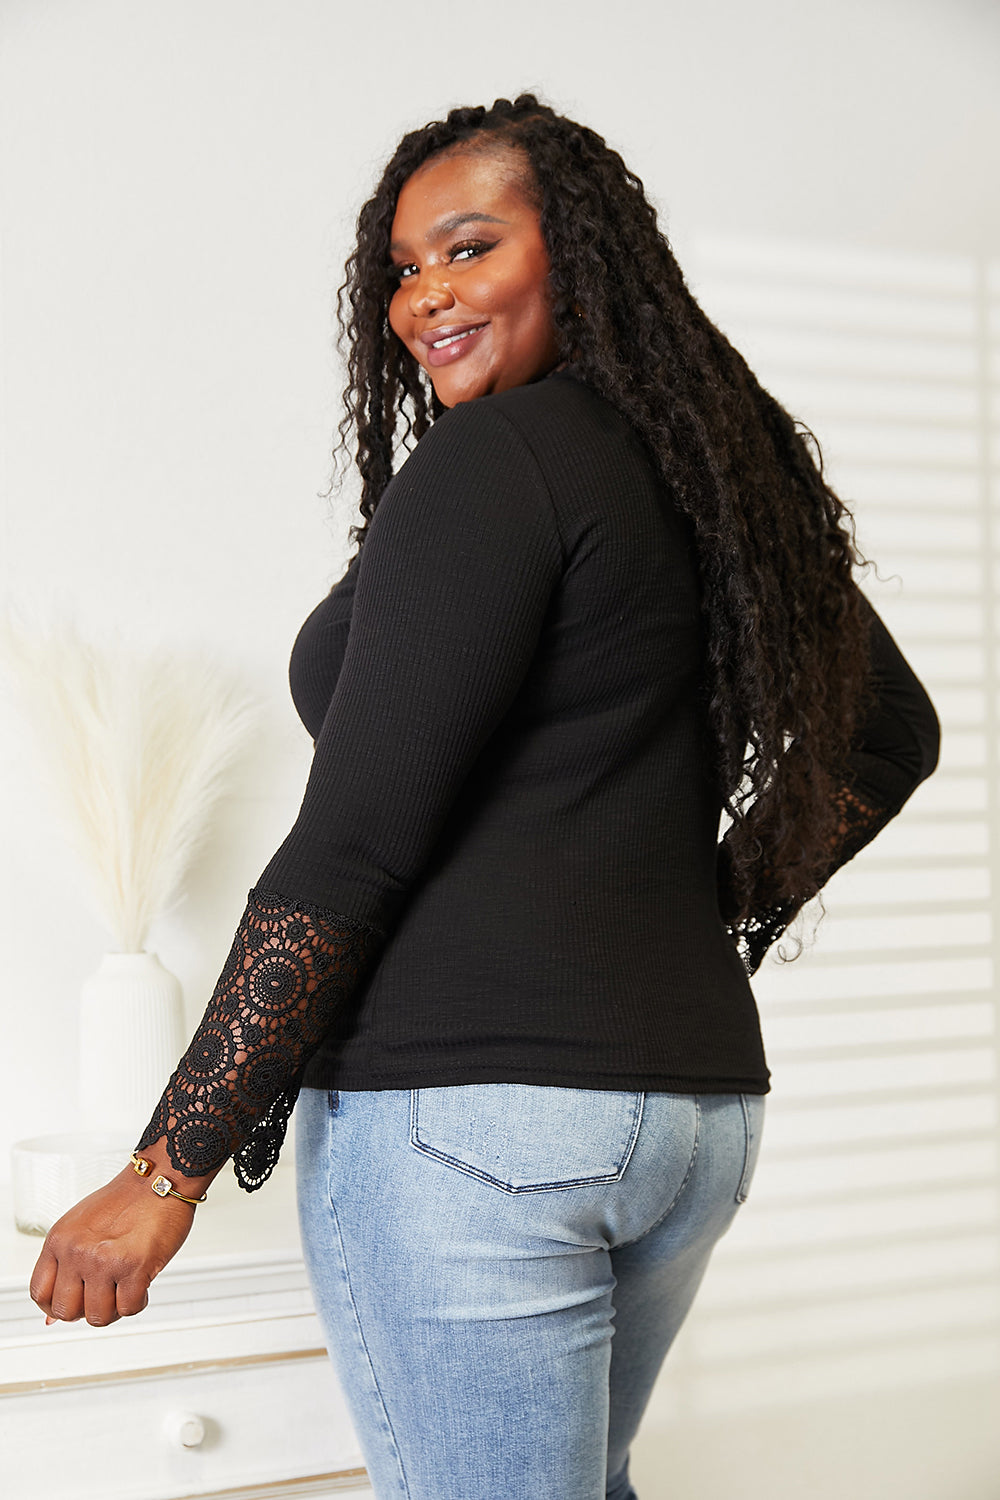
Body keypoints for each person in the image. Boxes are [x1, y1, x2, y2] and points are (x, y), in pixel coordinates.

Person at [30, 95, 939, 1499]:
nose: (425, 296)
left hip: (471, 1127)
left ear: (575, 253)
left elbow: (353, 841)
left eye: (468, 248)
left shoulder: (496, 462)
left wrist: (165, 1172)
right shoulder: (712, 480)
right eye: (402, 268)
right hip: (687, 1119)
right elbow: (891, 732)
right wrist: (684, 914)